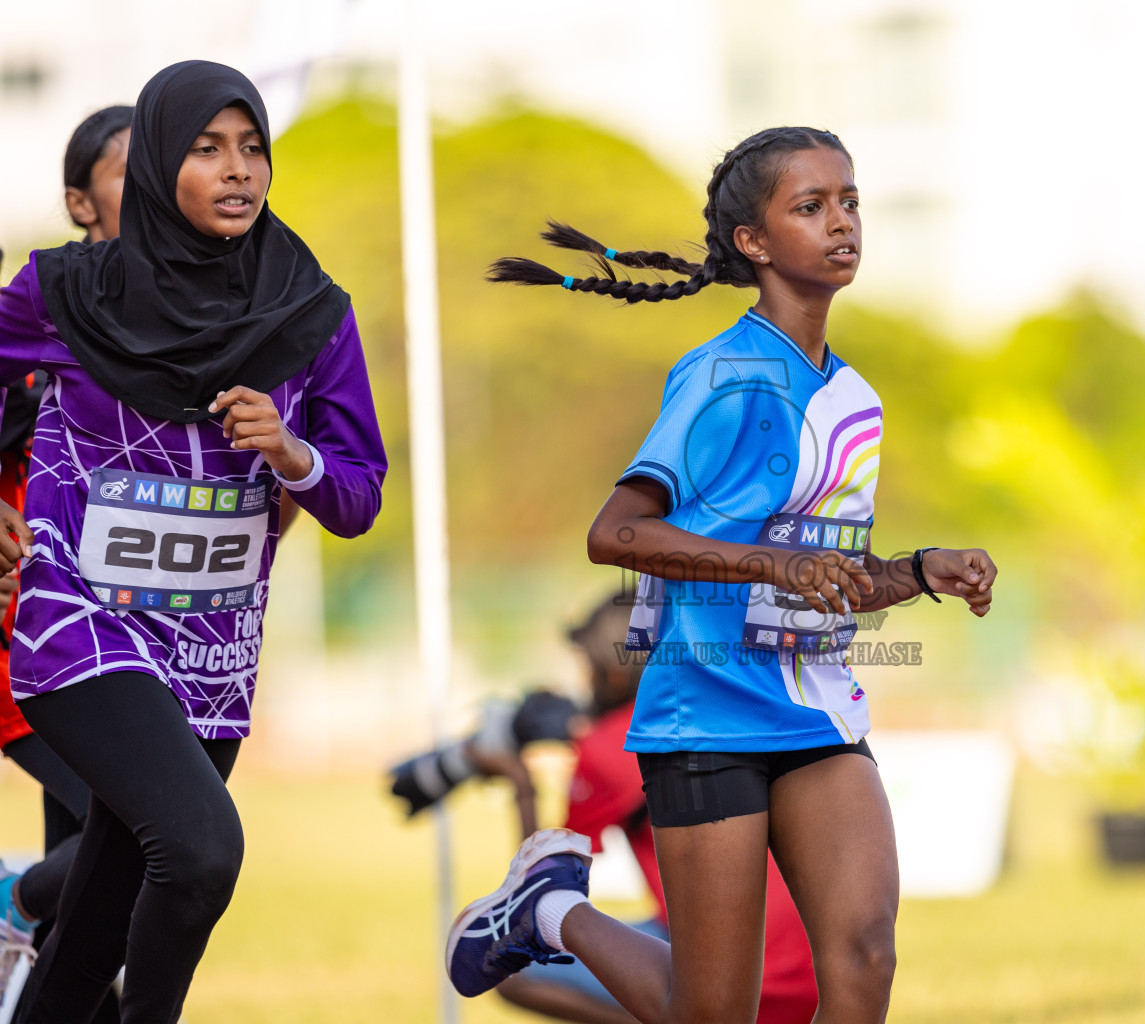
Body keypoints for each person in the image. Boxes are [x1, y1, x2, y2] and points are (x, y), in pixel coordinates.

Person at [446, 127, 997, 1024]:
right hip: (705, 713)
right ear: (754, 241)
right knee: (710, 1013)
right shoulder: (720, 376)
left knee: (865, 959)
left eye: (850, 201)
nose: (842, 223)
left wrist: (920, 570)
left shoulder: (855, 398)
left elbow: (827, 573)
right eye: (810, 207)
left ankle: (547, 908)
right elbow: (616, 532)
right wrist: (774, 560)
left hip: (818, 707)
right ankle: (549, 910)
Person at [0, 60, 387, 1022]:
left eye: (252, 147)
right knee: (202, 848)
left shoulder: (313, 311)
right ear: (162, 162)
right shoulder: (64, 288)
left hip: (211, 650)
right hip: (79, 628)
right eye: (208, 149)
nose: (239, 170)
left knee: (97, 920)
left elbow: (358, 492)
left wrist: (293, 456)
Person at [393, 595, 818, 1024]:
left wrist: (521, 784)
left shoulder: (615, 743)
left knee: (516, 967)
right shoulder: (722, 709)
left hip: (739, 980)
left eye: (587, 665)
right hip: (807, 969)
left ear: (613, 672)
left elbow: (544, 880)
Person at [0, 105, 133, 1024]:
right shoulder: (48, 297)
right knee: (136, 827)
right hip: (30, 626)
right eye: (134, 169)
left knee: (104, 862)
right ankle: (17, 899)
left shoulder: (207, 312)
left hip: (135, 626)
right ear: (79, 201)